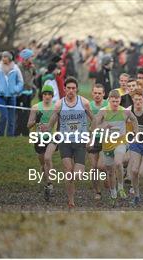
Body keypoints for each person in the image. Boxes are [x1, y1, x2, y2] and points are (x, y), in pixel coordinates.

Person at [44, 77, 94, 208]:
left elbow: (94, 120)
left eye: (73, 88)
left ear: (76, 89)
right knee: (68, 170)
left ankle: (72, 183)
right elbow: (52, 121)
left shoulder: (84, 103)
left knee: (77, 174)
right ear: (64, 89)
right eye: (68, 88)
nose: (71, 91)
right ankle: (71, 200)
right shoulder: (59, 105)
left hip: (80, 141)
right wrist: (47, 128)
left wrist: (90, 136)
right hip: (65, 141)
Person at [95, 89, 139, 206]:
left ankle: (120, 187)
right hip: (107, 145)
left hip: (121, 142)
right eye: (113, 101)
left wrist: (136, 133)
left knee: (118, 162)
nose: (115, 103)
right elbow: (94, 126)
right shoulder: (103, 112)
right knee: (110, 172)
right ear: (109, 100)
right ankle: (113, 193)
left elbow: (134, 120)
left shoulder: (125, 112)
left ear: (120, 100)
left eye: (117, 101)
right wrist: (102, 126)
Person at [27, 85, 57, 202]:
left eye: (49, 94)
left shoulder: (56, 107)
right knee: (43, 165)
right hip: (39, 139)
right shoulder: (35, 107)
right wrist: (36, 121)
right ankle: (47, 184)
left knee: (48, 158)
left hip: (52, 138)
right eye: (45, 94)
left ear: (52, 96)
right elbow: (28, 125)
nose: (47, 96)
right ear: (42, 95)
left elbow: (58, 124)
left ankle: (50, 185)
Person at [0, 51, 24, 137]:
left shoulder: (15, 68)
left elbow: (20, 81)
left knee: (11, 118)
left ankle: (10, 136)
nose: (3, 58)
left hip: (12, 96)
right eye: (2, 57)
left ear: (9, 58)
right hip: (1, 96)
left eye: (5, 57)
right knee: (4, 116)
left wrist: (15, 89)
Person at [88, 84, 108, 201]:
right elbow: (85, 123)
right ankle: (97, 192)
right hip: (92, 138)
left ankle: (108, 175)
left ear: (104, 94)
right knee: (94, 167)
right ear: (92, 93)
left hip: (106, 138)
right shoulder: (88, 106)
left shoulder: (108, 105)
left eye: (99, 93)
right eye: (95, 93)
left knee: (101, 166)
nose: (97, 95)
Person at [15, 48, 36, 136]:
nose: (32, 58)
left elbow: (33, 76)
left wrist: (32, 86)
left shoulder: (31, 67)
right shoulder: (19, 67)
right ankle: (17, 131)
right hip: (20, 93)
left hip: (28, 93)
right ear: (26, 58)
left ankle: (25, 131)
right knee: (20, 113)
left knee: (27, 113)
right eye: (31, 57)